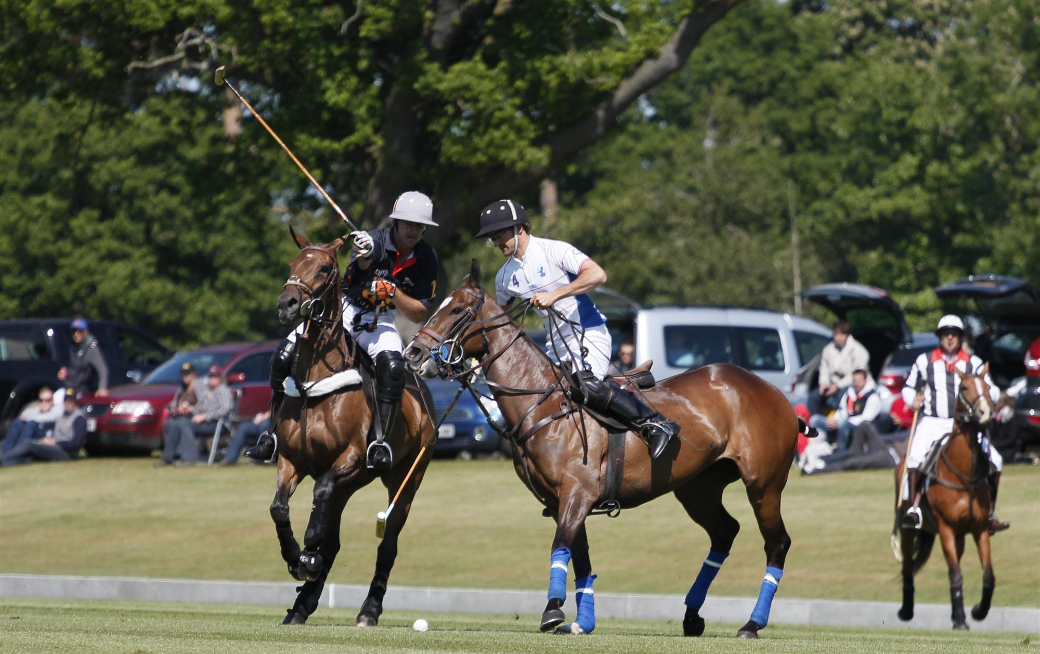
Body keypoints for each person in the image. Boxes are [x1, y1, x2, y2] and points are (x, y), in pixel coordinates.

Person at [246, 191, 440, 472]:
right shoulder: (371, 240)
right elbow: (349, 278)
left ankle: (379, 442)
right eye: (407, 223)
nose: (413, 230)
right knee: (282, 357)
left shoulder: (426, 257)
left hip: (379, 317)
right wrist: (364, 257)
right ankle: (272, 434)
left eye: (419, 226)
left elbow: (419, 311)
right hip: (344, 310)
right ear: (396, 222)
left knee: (394, 368)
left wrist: (393, 292)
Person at [477, 199, 679, 459]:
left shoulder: (554, 251)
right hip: (554, 344)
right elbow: (503, 323)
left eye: (499, 234)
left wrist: (556, 294)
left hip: (588, 333)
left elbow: (597, 275)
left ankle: (657, 423)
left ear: (519, 228)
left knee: (588, 388)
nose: (495, 242)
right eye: (491, 237)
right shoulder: (504, 277)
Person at [900, 315, 1008, 534]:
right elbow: (908, 386)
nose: (950, 339)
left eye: (954, 335)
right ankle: (913, 509)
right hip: (932, 421)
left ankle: (989, 514)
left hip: (964, 426)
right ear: (940, 337)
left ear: (960, 338)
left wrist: (990, 396)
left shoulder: (973, 362)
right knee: (914, 457)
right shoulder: (925, 360)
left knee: (996, 460)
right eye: (945, 335)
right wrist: (912, 399)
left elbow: (991, 388)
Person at [156, 363, 235, 467]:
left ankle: (189, 458)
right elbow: (199, 407)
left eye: (215, 376)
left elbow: (225, 409)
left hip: (218, 424)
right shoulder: (207, 391)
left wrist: (205, 416)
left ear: (220, 378)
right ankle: (168, 457)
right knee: (176, 423)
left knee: (185, 424)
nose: (212, 379)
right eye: (210, 376)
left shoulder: (223, 390)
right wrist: (187, 410)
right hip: (204, 423)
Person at [1, 393, 86, 466]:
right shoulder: (63, 415)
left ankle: (5, 457)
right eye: (66, 400)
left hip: (66, 452)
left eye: (71, 400)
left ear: (76, 401)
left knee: (29, 444)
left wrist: (55, 442)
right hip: (55, 445)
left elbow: (76, 443)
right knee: (30, 457)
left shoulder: (78, 418)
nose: (68, 402)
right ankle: (5, 462)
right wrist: (48, 440)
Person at [808, 369, 880, 451]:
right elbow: (842, 409)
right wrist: (835, 419)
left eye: (859, 381)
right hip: (842, 421)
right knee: (814, 420)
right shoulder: (850, 392)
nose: (856, 384)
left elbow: (866, 419)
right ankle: (823, 449)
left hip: (859, 426)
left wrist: (842, 421)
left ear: (865, 380)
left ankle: (841, 452)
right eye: (855, 381)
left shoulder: (872, 396)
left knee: (843, 424)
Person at [809, 320, 869, 417]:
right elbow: (824, 369)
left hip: (850, 385)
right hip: (832, 384)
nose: (838, 338)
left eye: (842, 334)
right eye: (836, 334)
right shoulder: (828, 350)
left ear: (847, 335)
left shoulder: (858, 350)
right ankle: (813, 425)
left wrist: (837, 386)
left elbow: (857, 375)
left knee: (842, 397)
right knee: (814, 397)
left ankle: (837, 424)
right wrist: (823, 383)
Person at [1, 387, 64, 457]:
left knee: (31, 424)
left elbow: (53, 417)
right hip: (34, 432)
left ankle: (17, 454)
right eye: (42, 400)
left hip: (46, 435)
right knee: (18, 422)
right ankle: (5, 453)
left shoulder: (57, 409)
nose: (44, 402)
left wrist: (32, 418)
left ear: (52, 400)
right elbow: (24, 415)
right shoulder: (38, 409)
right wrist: (38, 412)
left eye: (47, 400)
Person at [57, 318, 109, 399]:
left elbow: (103, 370)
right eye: (74, 331)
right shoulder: (74, 347)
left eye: (79, 331)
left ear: (86, 331)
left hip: (82, 391)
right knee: (56, 398)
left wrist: (102, 388)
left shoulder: (91, 349)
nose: (76, 334)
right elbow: (73, 369)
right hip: (69, 388)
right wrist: (64, 374)